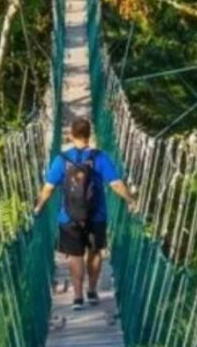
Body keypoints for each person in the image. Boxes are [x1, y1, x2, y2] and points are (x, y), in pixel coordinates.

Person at [32, 116, 133, 309]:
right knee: (94, 253)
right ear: (89, 135)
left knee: (75, 255)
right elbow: (116, 184)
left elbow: (48, 188)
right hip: (97, 215)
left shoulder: (62, 160)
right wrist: (130, 200)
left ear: (70, 135)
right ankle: (92, 291)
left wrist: (38, 206)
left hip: (68, 217)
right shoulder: (100, 157)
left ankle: (77, 297)